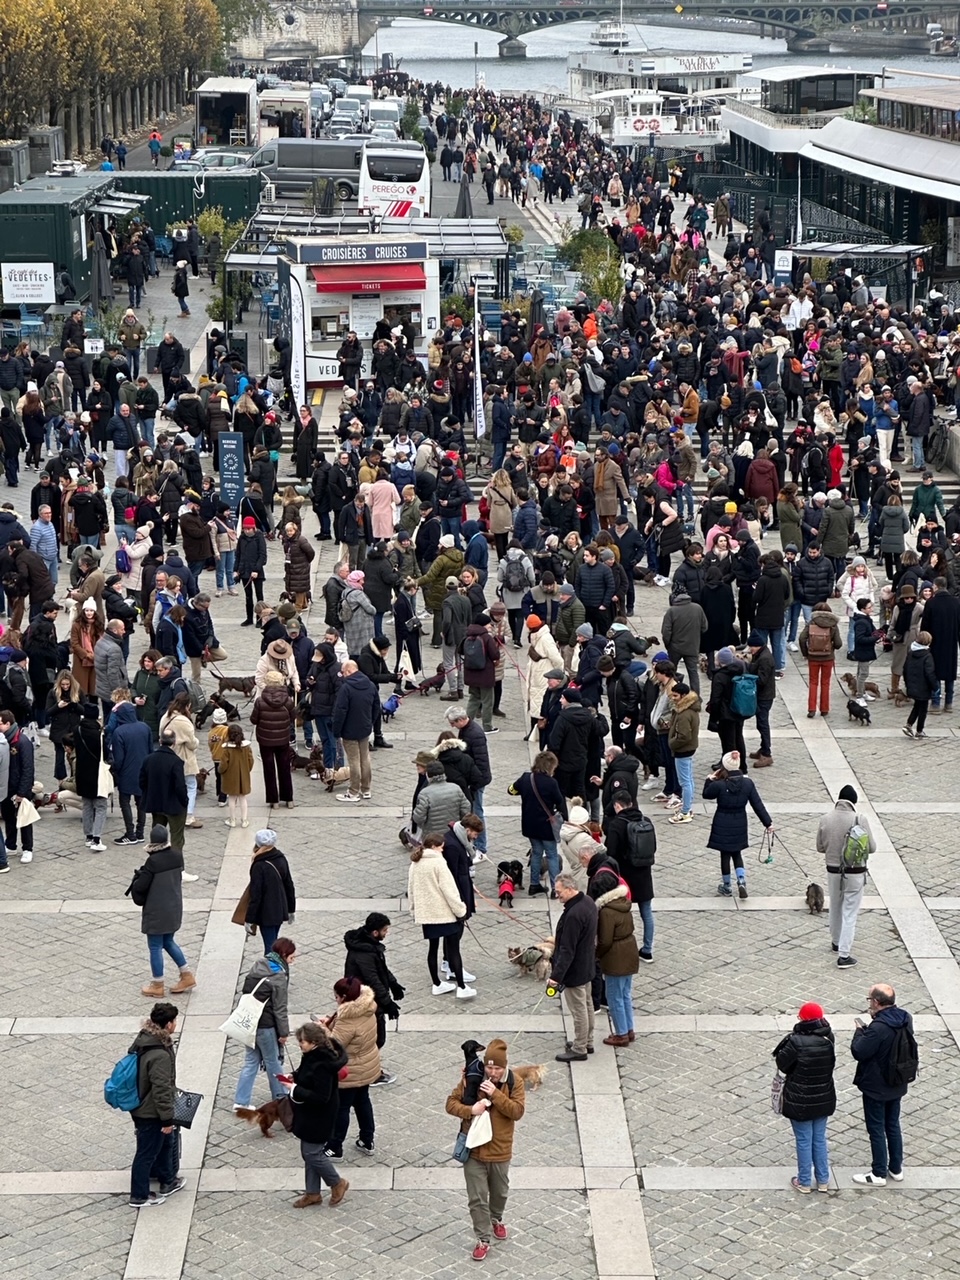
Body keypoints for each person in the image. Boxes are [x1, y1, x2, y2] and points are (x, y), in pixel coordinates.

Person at [445, 1037, 525, 1263]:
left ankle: (496, 1218)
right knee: (477, 1198)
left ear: (505, 1066)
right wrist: (472, 1109)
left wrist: (496, 1094)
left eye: (497, 1068)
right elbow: (451, 1103)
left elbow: (517, 1111)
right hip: (474, 1150)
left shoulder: (514, 1082)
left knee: (499, 1193)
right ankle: (483, 1239)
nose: (492, 1072)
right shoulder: (472, 1078)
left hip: (500, 1150)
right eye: (489, 1067)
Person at [850, 983, 914, 1186]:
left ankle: (878, 1173)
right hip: (897, 1081)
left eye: (869, 1000)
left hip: (877, 1086)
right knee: (893, 1125)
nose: (869, 1003)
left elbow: (859, 1052)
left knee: (876, 1128)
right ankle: (896, 1168)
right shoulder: (905, 1018)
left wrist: (860, 1032)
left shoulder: (877, 1028)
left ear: (876, 1002)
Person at [773, 1001, 837, 1193]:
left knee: (803, 1139)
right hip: (823, 1097)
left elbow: (783, 1065)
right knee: (819, 1139)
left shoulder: (796, 1041)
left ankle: (804, 1181)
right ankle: (823, 1180)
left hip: (799, 1099)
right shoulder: (829, 1037)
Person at [127, 1000, 184, 1207]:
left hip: (141, 1104)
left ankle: (168, 1179)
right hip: (150, 1111)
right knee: (146, 1152)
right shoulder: (159, 1054)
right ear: (168, 1024)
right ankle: (139, 1195)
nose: (176, 1024)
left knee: (164, 1144)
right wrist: (167, 1118)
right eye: (175, 1021)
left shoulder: (145, 1040)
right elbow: (161, 1089)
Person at [288, 1021, 350, 1208]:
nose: (300, 1044)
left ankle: (337, 1182)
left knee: (312, 1153)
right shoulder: (311, 1055)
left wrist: (295, 1089)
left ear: (314, 1042)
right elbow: (308, 1076)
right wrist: (295, 1077)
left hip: (320, 1114)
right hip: (311, 1113)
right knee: (309, 1153)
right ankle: (313, 1193)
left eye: (303, 1041)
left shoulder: (322, 1063)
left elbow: (321, 1096)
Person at [233, 935, 298, 1111]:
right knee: (273, 1061)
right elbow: (280, 1009)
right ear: (284, 955)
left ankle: (241, 1101)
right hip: (266, 1026)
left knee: (251, 1061)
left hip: (250, 1023)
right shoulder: (278, 977)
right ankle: (281, 1097)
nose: (293, 960)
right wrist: (284, 1033)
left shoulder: (259, 965)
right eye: (292, 957)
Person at [318, 977, 380, 1158]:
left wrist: (322, 1029)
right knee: (363, 1102)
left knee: (341, 1108)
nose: (335, 999)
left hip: (350, 1069)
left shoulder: (348, 1019)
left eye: (336, 996)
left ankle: (335, 1146)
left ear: (344, 997)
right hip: (367, 1063)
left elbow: (334, 1045)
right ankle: (367, 1140)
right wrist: (331, 1022)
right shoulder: (367, 1008)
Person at [131, 824, 195, 998]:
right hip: (174, 907)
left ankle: (157, 984)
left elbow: (142, 887)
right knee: (168, 941)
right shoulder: (177, 855)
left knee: (154, 946)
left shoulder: (153, 861)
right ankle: (186, 975)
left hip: (157, 910)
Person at [817, 784, 876, 968]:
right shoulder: (859, 819)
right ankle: (844, 954)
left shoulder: (825, 818)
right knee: (850, 911)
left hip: (833, 871)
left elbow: (819, 847)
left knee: (835, 905)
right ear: (854, 802)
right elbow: (872, 847)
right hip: (855, 873)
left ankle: (835, 942)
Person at [343, 912, 403, 1087]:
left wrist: (394, 984)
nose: (387, 933)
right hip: (365, 1003)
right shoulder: (365, 953)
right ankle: (371, 1074)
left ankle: (370, 1070)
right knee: (375, 1040)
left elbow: (382, 969)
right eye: (385, 930)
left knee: (375, 1039)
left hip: (369, 1000)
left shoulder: (370, 946)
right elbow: (373, 980)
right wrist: (388, 1003)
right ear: (375, 932)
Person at [703, 750, 773, 899]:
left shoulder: (720, 785)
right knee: (737, 853)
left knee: (725, 855)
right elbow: (757, 804)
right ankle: (741, 881)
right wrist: (768, 823)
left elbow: (706, 794)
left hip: (722, 821)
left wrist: (709, 779)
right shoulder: (748, 783)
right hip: (740, 822)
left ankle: (727, 886)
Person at [407, 831, 469, 996]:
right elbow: (450, 891)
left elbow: (411, 889)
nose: (443, 851)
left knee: (432, 949)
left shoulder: (415, 863)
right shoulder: (439, 863)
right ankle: (462, 987)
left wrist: (414, 910)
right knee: (453, 949)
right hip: (444, 913)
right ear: (434, 847)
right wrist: (461, 910)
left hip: (427, 914)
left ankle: (436, 983)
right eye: (441, 848)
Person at [550, 872, 600, 1062]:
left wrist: (555, 977)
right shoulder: (587, 902)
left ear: (570, 889)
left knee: (579, 1010)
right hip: (587, 964)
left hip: (575, 969)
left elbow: (567, 950)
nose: (558, 896)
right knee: (587, 1006)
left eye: (559, 892)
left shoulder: (573, 914)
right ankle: (587, 1041)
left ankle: (580, 1048)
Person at [590, 860, 639, 1047]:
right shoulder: (623, 902)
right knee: (625, 994)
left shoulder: (606, 912)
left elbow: (605, 940)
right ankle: (629, 1028)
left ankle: (620, 1034)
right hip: (629, 952)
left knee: (614, 996)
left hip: (615, 957)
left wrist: (596, 954)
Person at [508, 750, 567, 896]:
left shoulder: (526, 778)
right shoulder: (551, 783)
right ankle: (555, 889)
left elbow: (511, 790)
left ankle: (534, 885)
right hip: (546, 826)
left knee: (536, 853)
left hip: (530, 825)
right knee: (552, 855)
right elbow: (560, 802)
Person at [233, 828, 296, 956]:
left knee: (270, 947)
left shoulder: (259, 865)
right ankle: (277, 969)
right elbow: (289, 884)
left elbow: (256, 894)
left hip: (266, 912)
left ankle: (275, 971)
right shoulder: (280, 858)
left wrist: (249, 919)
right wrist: (291, 909)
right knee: (274, 942)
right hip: (280, 908)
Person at [332, 659, 379, 802]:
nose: (342, 675)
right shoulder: (370, 685)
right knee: (365, 759)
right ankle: (366, 789)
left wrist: (336, 731)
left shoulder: (346, 688)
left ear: (348, 671)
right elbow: (377, 707)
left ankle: (353, 791)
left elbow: (340, 711)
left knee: (354, 761)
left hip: (349, 730)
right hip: (364, 728)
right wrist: (369, 722)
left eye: (343, 672)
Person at [250, 670, 296, 807]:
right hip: (282, 739)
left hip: (265, 740)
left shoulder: (260, 701)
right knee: (284, 768)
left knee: (268, 769)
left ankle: (273, 800)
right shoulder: (288, 700)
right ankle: (289, 799)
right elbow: (293, 718)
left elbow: (254, 720)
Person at [0, 709, 34, 864]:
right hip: (7, 787)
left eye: (0, 724)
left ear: (8, 724)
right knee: (8, 818)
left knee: (24, 819)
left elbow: (28, 769)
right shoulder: (4, 740)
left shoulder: (22, 742)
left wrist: (22, 792)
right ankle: (11, 844)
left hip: (20, 788)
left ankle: (27, 848)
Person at [74, 701, 109, 851]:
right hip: (97, 774)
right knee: (100, 806)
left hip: (82, 772)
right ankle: (96, 838)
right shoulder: (99, 734)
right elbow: (105, 754)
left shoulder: (77, 730)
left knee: (87, 805)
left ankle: (88, 836)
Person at [798, 601, 842, 718]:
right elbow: (838, 643)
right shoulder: (833, 624)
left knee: (813, 682)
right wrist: (832, 647)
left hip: (813, 657)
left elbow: (802, 638)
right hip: (827, 657)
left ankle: (811, 709)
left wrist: (805, 653)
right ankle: (824, 709)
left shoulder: (811, 622)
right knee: (825, 683)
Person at [902, 629, 937, 739]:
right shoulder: (927, 656)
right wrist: (935, 686)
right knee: (923, 710)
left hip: (913, 686)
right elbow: (930, 673)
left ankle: (908, 724)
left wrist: (908, 684)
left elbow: (905, 669)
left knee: (917, 706)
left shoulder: (911, 653)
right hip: (924, 688)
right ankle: (919, 730)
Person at [219, 722, 254, 828]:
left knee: (232, 798)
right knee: (243, 798)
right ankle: (244, 820)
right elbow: (251, 761)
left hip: (230, 777)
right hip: (243, 776)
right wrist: (247, 770)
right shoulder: (246, 747)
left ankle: (232, 820)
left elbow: (223, 764)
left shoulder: (227, 749)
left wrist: (220, 770)